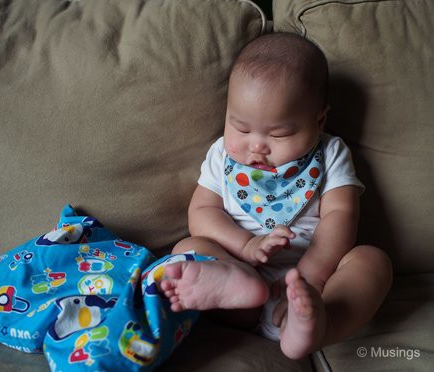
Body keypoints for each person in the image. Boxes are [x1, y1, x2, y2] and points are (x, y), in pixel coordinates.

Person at [160, 32, 393, 360]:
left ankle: (318, 324)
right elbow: (201, 211)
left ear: (319, 120)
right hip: (241, 266)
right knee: (188, 248)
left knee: (373, 261)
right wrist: (246, 246)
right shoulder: (220, 156)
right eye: (240, 128)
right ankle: (239, 290)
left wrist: (312, 275)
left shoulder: (330, 153)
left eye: (278, 133)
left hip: (318, 282)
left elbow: (341, 215)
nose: (256, 146)